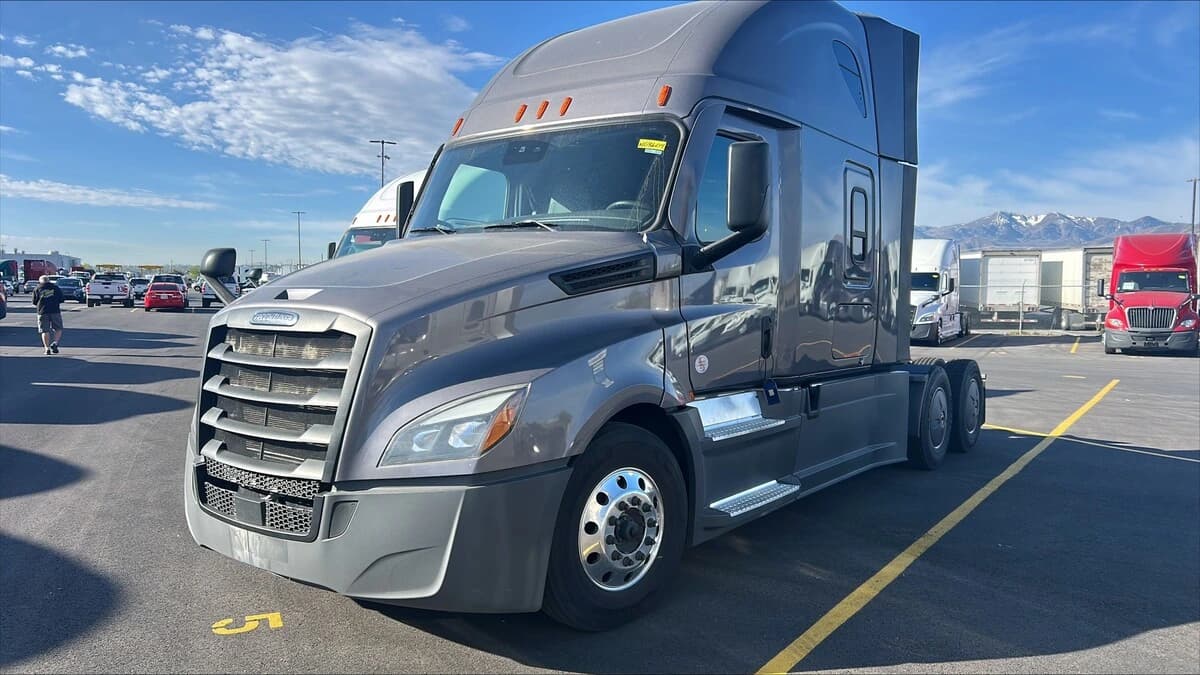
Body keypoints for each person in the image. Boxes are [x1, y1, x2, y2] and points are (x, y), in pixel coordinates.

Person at [32, 275, 64, 355]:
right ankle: (55, 343)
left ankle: (47, 348)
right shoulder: (55, 288)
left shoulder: (37, 288)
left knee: (44, 330)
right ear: (48, 280)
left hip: (42, 312)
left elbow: (34, 302)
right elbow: (61, 299)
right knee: (58, 328)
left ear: (40, 281)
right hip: (55, 311)